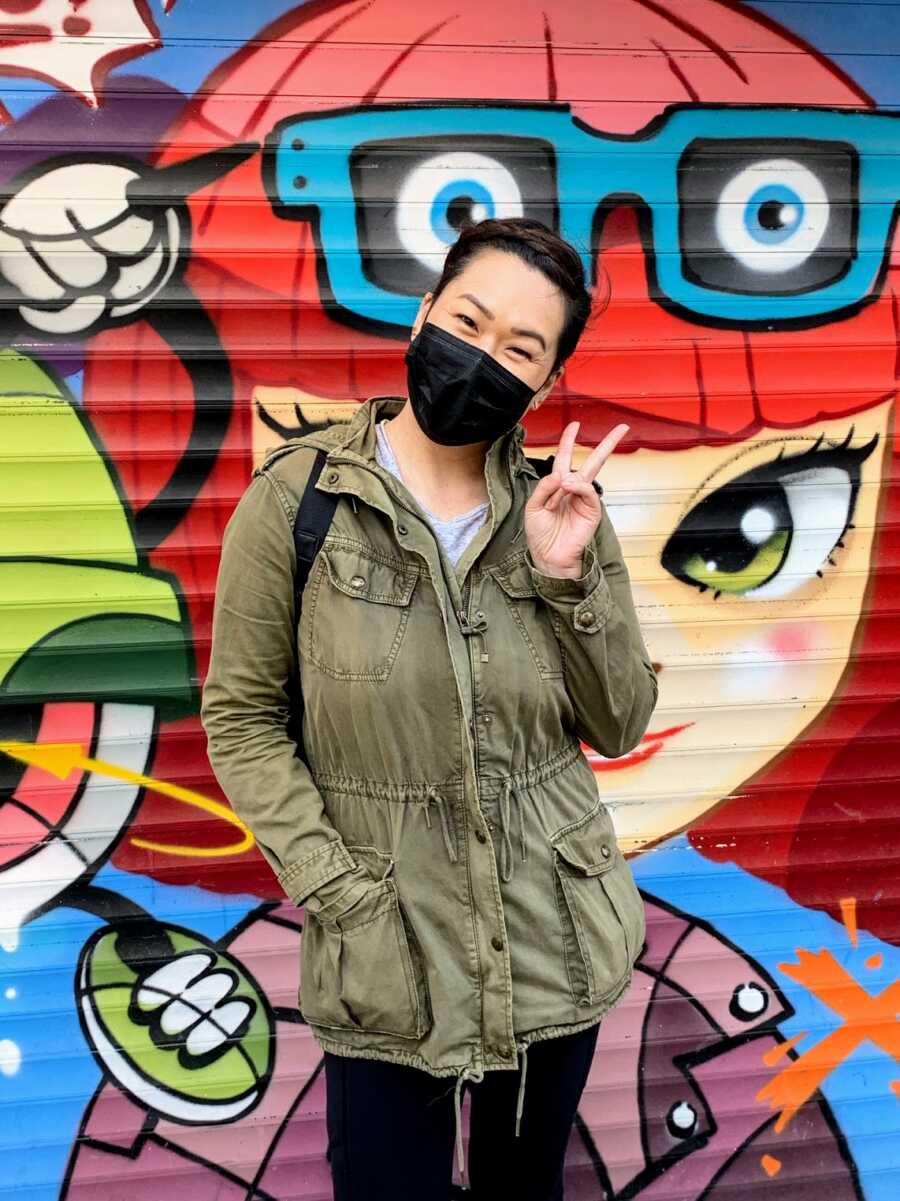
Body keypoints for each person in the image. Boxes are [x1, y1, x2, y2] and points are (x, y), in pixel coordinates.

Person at [200, 216, 659, 1200]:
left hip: (550, 942)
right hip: (386, 955)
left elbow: (620, 722)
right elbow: (241, 718)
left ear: (543, 385)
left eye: (521, 349)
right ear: (422, 317)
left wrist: (560, 577)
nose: (484, 358)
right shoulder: (299, 503)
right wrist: (343, 893)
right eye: (470, 321)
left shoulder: (565, 509)